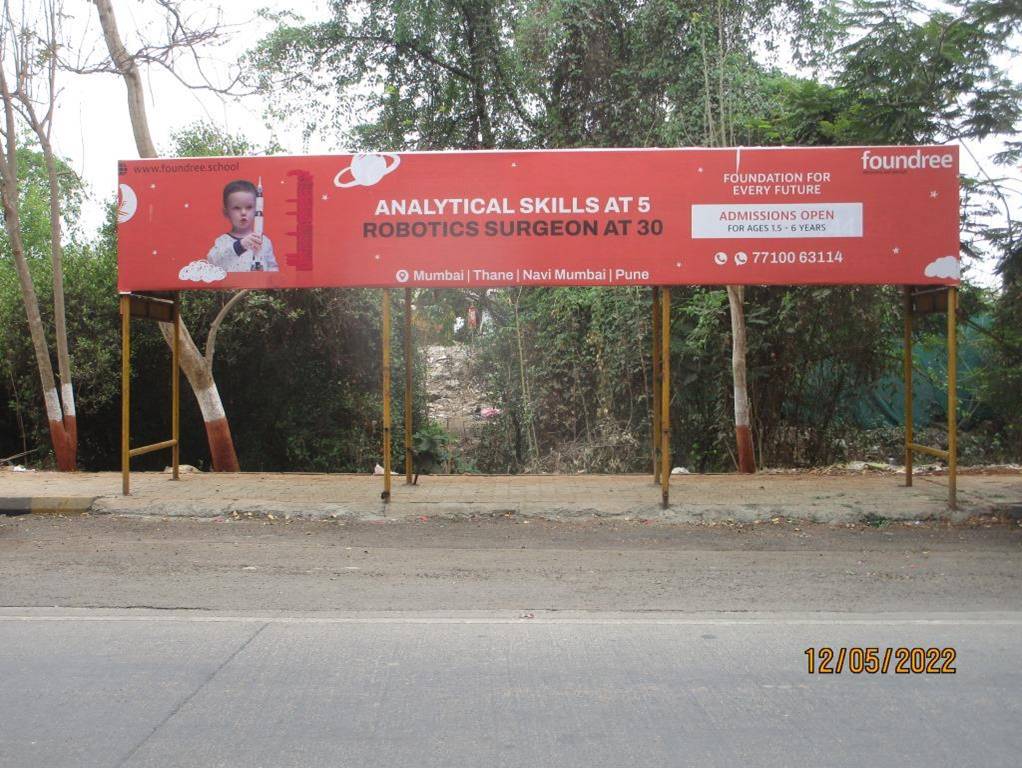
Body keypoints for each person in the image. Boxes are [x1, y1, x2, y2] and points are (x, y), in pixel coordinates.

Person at [206, 179, 279, 272]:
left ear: (256, 209)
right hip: (231, 286)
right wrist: (240, 246)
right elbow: (212, 262)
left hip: (258, 285)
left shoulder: (265, 241)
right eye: (236, 208)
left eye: (249, 207)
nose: (243, 212)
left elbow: (273, 268)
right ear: (226, 212)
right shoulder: (223, 241)